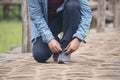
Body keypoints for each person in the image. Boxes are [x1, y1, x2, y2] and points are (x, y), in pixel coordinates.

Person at [28, 0, 92, 63]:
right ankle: (57, 48)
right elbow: (37, 16)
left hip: (66, 18)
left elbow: (86, 12)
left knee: (72, 5)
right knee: (40, 55)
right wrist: (49, 39)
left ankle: (64, 49)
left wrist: (78, 38)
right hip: (46, 24)